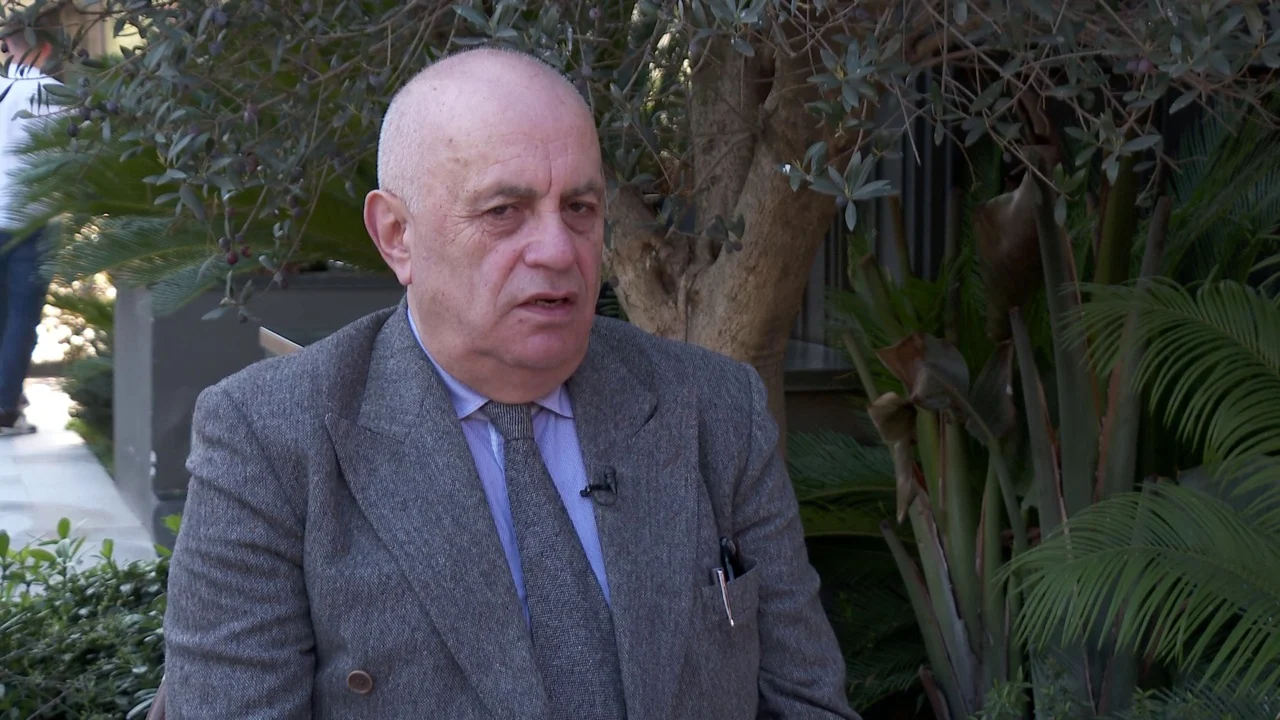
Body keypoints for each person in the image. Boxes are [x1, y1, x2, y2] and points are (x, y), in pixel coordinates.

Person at [161, 47, 860, 720]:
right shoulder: (270, 439)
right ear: (397, 234)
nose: (557, 250)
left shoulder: (714, 408)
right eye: (504, 211)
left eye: (580, 208)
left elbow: (806, 702)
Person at [0, 13, 60, 436]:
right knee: (22, 317)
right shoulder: (57, 94)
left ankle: (8, 401)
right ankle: (4, 409)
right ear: (47, 47)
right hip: (31, 220)